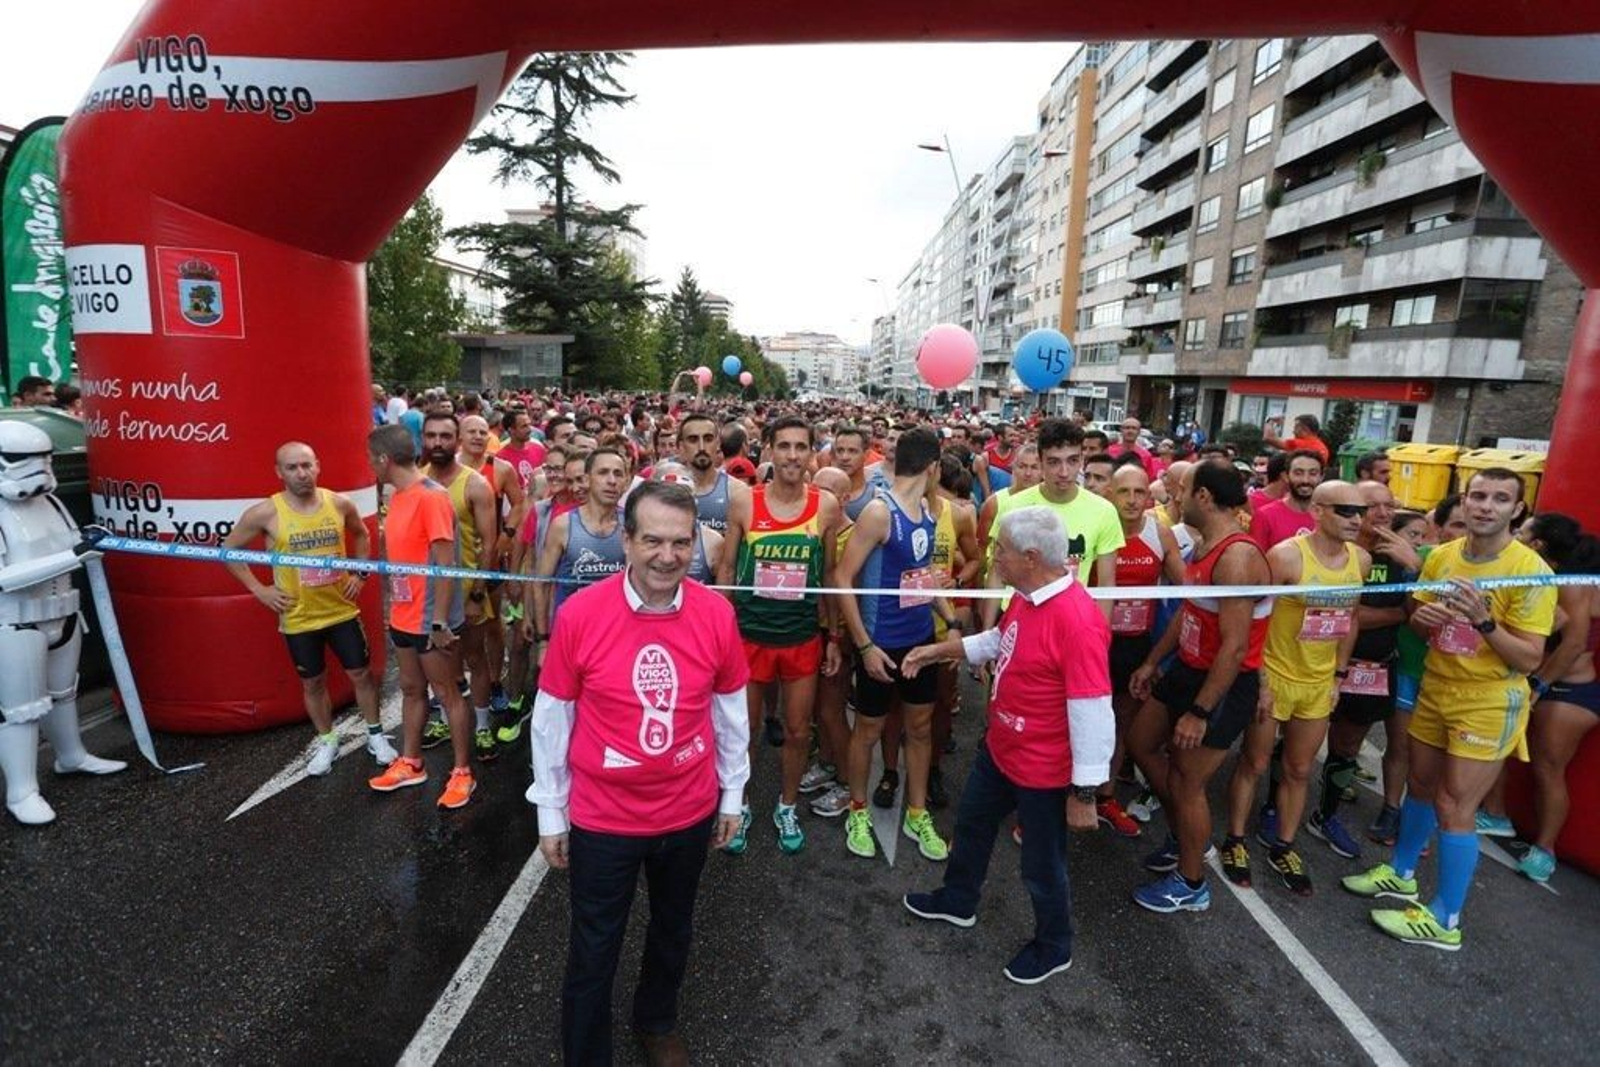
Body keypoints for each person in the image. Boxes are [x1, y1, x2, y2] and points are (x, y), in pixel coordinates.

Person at [529, 480, 751, 1066]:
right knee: (594, 947)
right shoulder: (580, 614)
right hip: (605, 820)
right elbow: (552, 719)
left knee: (673, 929)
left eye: (681, 543)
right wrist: (551, 811)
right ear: (625, 541)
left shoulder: (717, 614)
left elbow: (731, 711)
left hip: (688, 810)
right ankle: (586, 1054)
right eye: (652, 539)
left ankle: (656, 1021)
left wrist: (732, 797)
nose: (667, 556)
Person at [1342, 468, 1555, 951]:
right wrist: (1425, 618)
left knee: (1454, 805)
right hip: (1438, 687)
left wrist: (1483, 621)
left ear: (1517, 510)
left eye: (1501, 499)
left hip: (1487, 701)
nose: (1486, 506)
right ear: (1465, 500)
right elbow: (1418, 623)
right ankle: (1401, 874)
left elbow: (1529, 658)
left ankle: (1446, 919)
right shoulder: (1439, 556)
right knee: (1419, 786)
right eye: (1479, 495)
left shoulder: (1529, 570)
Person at [898, 506, 1112, 985]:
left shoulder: (1077, 621)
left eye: (1002, 551)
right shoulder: (1027, 595)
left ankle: (1055, 945)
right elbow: (1001, 639)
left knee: (1041, 865)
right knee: (971, 825)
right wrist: (937, 650)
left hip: (1042, 768)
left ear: (1032, 557)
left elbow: (1093, 710)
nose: (994, 556)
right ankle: (958, 899)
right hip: (1001, 750)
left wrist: (1084, 795)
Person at [1127, 461, 1273, 913]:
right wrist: (1153, 662)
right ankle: (1184, 835)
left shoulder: (1238, 557)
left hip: (1221, 685)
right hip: (1187, 670)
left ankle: (1192, 883)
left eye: (1182, 489)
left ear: (1204, 497)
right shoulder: (1206, 544)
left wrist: (1201, 711)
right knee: (1141, 743)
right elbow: (1191, 610)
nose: (1175, 496)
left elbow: (1234, 649)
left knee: (1189, 783)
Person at [1220, 481, 1369, 895]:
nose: (1356, 520)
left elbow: (1351, 619)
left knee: (1300, 769)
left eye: (1361, 512)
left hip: (1319, 682)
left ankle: (1284, 845)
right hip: (1276, 676)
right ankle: (1235, 839)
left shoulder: (1360, 558)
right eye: (1345, 511)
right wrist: (1261, 681)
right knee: (1254, 761)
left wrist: (1339, 676)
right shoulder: (1286, 556)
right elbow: (1255, 617)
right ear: (1318, 511)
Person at [223, 442, 396, 775]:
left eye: (306, 465)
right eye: (292, 468)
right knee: (313, 684)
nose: (301, 474)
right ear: (279, 472)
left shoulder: (339, 503)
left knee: (362, 674)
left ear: (318, 466)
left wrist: (360, 573)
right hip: (299, 617)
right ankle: (327, 739)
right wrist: (259, 590)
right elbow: (229, 550)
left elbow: (362, 535)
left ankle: (376, 736)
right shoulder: (265, 513)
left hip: (341, 611)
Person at [719, 416, 843, 855]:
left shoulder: (825, 506)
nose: (792, 455)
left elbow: (828, 574)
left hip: (800, 638)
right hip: (749, 637)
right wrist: (723, 628)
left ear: (812, 453)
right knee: (746, 732)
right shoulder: (744, 503)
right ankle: (742, 803)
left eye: (801, 447)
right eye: (784, 446)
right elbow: (728, 569)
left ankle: (786, 805)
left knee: (796, 731)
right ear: (768, 449)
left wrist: (832, 636)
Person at [835, 427, 954, 862]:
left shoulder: (925, 507)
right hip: (881, 643)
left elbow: (924, 575)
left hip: (919, 641)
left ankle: (917, 812)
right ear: (932, 467)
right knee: (867, 730)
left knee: (919, 728)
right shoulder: (878, 513)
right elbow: (842, 580)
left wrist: (952, 620)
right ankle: (858, 809)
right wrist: (864, 646)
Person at [363, 424, 475, 809]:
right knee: (412, 690)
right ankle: (411, 762)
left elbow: (446, 565)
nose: (369, 467)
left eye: (371, 459)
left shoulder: (432, 498)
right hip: (404, 615)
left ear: (384, 459)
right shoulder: (398, 495)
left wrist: (441, 622)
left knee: (448, 694)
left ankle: (462, 772)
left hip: (432, 619)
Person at [1312, 482, 1421, 859]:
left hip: (1374, 669)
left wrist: (1415, 570)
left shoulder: (1403, 557)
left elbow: (1422, 613)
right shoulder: (1340, 552)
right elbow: (1347, 614)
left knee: (1346, 747)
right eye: (1371, 506)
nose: (1382, 513)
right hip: (1321, 663)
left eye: (1388, 506)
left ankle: (1326, 815)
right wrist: (1396, 614)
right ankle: (1275, 810)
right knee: (1296, 746)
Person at [1505, 513, 1599, 882]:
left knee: (1548, 769)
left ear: (1538, 544)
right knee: (1510, 754)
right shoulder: (1545, 576)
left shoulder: (1572, 583)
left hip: (1569, 691)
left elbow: (1573, 641)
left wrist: (1539, 685)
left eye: (1522, 531)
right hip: (1548, 685)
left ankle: (1545, 850)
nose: (1515, 535)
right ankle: (1496, 815)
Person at [1101, 465, 1185, 838]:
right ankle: (1052, 797)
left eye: (1140, 492)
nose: (1133, 500)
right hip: (1095, 642)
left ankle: (1105, 797)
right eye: (1124, 492)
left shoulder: (1159, 534)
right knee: (1073, 720)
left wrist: (1155, 659)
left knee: (1122, 721)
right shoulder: (1095, 528)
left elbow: (1189, 595)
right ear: (1110, 495)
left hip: (1137, 643)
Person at [984, 419, 1122, 629]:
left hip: (1071, 623)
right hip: (1016, 619)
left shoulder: (1104, 511)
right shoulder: (1013, 506)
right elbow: (996, 572)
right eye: (1054, 462)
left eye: (1073, 460)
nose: (1064, 472)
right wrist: (989, 630)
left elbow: (1106, 584)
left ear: (1082, 460)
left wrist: (1099, 638)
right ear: (1041, 461)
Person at [421, 413, 502, 761]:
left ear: (456, 440)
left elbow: (489, 542)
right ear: (422, 439)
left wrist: (477, 593)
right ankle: (442, 717)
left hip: (467, 591)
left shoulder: (475, 485)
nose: (438, 443)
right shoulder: (416, 482)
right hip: (428, 596)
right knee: (441, 664)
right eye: (431, 436)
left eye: (445, 436)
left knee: (474, 659)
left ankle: (482, 726)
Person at [532, 447, 629, 653]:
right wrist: (543, 641)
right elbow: (541, 584)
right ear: (588, 479)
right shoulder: (563, 525)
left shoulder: (632, 524)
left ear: (626, 481)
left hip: (617, 636)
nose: (611, 480)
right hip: (570, 634)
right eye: (603, 473)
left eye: (618, 474)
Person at [1249, 450, 1323, 550]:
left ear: (1321, 477)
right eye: (1298, 473)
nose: (1305, 480)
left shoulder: (1328, 516)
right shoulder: (1265, 516)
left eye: (1313, 473)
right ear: (1286, 476)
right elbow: (1256, 561)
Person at [1262, 414, 1330, 465]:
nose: (1293, 431)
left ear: (1305, 429)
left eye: (1295, 427)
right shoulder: (1322, 447)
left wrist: (1269, 421)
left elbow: (1268, 438)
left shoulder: (1299, 444)